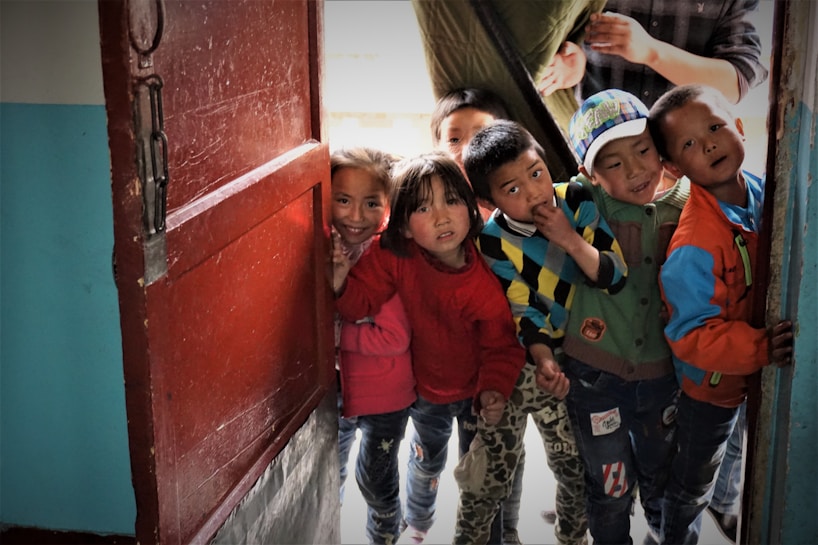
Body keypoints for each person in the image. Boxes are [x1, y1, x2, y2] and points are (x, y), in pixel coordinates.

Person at [333, 151, 527, 545]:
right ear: (403, 225)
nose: (442, 217)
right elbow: (360, 302)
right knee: (428, 462)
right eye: (424, 207)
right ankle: (420, 522)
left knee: (478, 474)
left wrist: (494, 388)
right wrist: (338, 282)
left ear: (472, 209)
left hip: (474, 392)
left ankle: (485, 533)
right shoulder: (395, 255)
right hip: (428, 394)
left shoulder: (482, 279)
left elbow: (501, 345)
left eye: (452, 201)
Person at [453, 119, 629, 545]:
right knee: (492, 472)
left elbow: (615, 275)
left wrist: (568, 238)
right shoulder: (492, 239)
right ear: (487, 200)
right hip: (528, 361)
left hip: (585, 357)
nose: (534, 191)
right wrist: (544, 358)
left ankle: (572, 538)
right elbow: (522, 307)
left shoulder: (578, 197)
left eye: (536, 173)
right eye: (512, 189)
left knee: (575, 466)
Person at [648, 83, 793, 544]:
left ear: (740, 127)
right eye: (689, 143)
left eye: (714, 127)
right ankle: (674, 535)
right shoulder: (694, 243)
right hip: (708, 387)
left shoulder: (767, 194)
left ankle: (726, 510)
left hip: (751, 369)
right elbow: (691, 334)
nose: (708, 143)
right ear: (673, 169)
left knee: (736, 453)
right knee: (693, 481)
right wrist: (757, 348)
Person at [561, 88, 689, 545]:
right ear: (590, 175)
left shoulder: (690, 203)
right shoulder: (584, 206)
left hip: (661, 374)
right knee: (611, 487)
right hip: (596, 373)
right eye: (614, 163)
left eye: (643, 150)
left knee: (661, 479)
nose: (636, 169)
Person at [430, 87, 532, 545]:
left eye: (481, 135)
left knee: (508, 451)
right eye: (454, 138)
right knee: (471, 456)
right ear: (435, 145)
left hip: (515, 357)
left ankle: (505, 531)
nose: (467, 148)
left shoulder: (515, 208)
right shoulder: (432, 213)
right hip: (455, 365)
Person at [331, 147, 416, 544]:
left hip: (386, 394)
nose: (354, 216)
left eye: (370, 204)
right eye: (343, 200)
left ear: (387, 207)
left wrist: (335, 337)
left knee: (375, 477)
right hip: (340, 389)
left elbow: (394, 337)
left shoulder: (385, 258)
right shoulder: (325, 247)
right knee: (334, 470)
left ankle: (385, 530)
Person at [538, 0, 769, 107]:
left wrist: (651, 52)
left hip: (680, 162)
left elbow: (736, 81)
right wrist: (571, 63)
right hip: (587, 144)